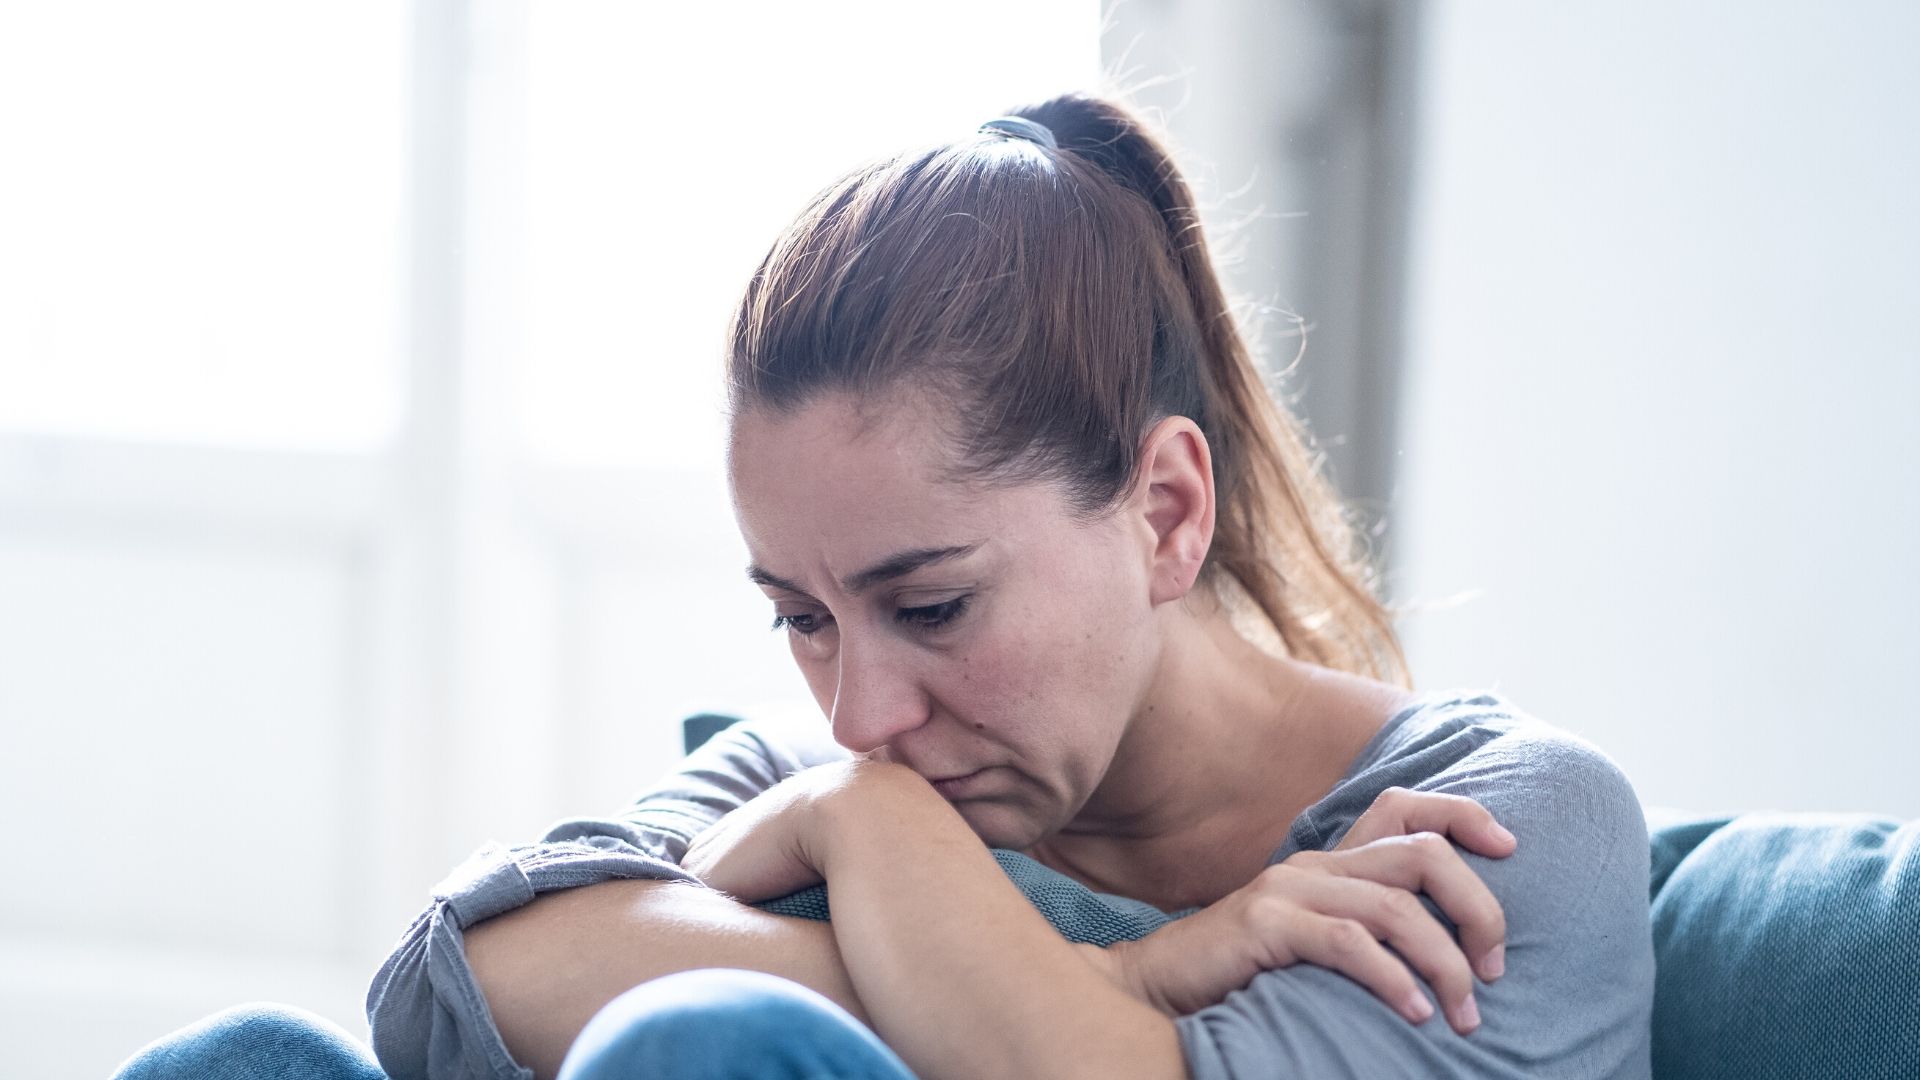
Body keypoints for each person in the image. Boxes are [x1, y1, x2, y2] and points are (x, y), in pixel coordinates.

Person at [115, 92, 1656, 1080]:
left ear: (1168, 511)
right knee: (241, 1064)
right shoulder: (845, 779)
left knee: (706, 1043)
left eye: (931, 607)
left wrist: (858, 854)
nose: (861, 710)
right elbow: (456, 977)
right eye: (798, 615)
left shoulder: (1492, 836)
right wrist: (1105, 951)